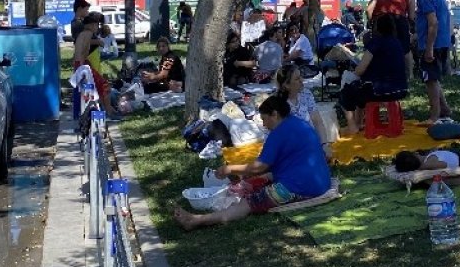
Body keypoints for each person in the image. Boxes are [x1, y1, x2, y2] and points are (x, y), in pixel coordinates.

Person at [173, 95, 331, 230]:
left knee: (247, 203)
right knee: (261, 179)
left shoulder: (278, 133)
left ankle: (197, 220)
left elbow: (259, 167)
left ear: (274, 114)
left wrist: (229, 169)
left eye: (264, 119)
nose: (263, 124)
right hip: (322, 181)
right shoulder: (300, 123)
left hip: (302, 187)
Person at [339, 14, 410, 135]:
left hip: (379, 90)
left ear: (377, 27)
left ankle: (353, 125)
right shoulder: (397, 43)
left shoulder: (376, 43)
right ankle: (359, 122)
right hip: (401, 89)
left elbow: (360, 70)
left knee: (347, 91)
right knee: (360, 89)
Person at [404, 0, 453, 124]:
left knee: (430, 81)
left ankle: (434, 115)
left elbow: (433, 23)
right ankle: (444, 109)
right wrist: (417, 35)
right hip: (443, 42)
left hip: (432, 45)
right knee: (434, 78)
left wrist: (429, 48)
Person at [274, 64, 324, 130]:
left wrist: (323, 140)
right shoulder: (277, 103)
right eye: (297, 79)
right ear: (286, 85)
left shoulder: (306, 93)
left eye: (301, 76)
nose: (302, 80)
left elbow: (317, 121)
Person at [393, 148, 460, 173]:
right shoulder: (428, 162)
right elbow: (443, 164)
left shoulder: (429, 157)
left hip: (459, 156)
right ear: (415, 154)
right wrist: (422, 167)